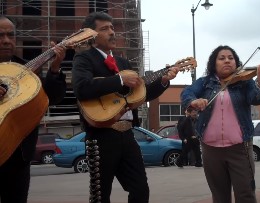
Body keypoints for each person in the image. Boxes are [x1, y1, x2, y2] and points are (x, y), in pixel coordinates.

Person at [71, 12, 179, 203]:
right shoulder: (84, 59)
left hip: (128, 135)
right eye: (104, 29)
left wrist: (162, 81)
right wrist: (120, 79)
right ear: (91, 35)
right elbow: (82, 89)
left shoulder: (123, 63)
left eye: (112, 28)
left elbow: (138, 96)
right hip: (100, 137)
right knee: (100, 195)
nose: (112, 32)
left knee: (140, 190)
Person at [180, 45, 260, 203]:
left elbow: (257, 98)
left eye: (231, 58)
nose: (227, 61)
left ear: (236, 63)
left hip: (239, 148)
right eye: (221, 58)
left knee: (245, 194)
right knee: (220, 196)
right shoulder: (205, 82)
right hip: (210, 149)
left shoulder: (245, 82)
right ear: (214, 63)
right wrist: (193, 101)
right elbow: (186, 93)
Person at [0, 16, 67, 203]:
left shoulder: (27, 70)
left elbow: (52, 98)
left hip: (18, 155)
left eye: (10, 35)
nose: (6, 40)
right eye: (0, 35)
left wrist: (55, 68)